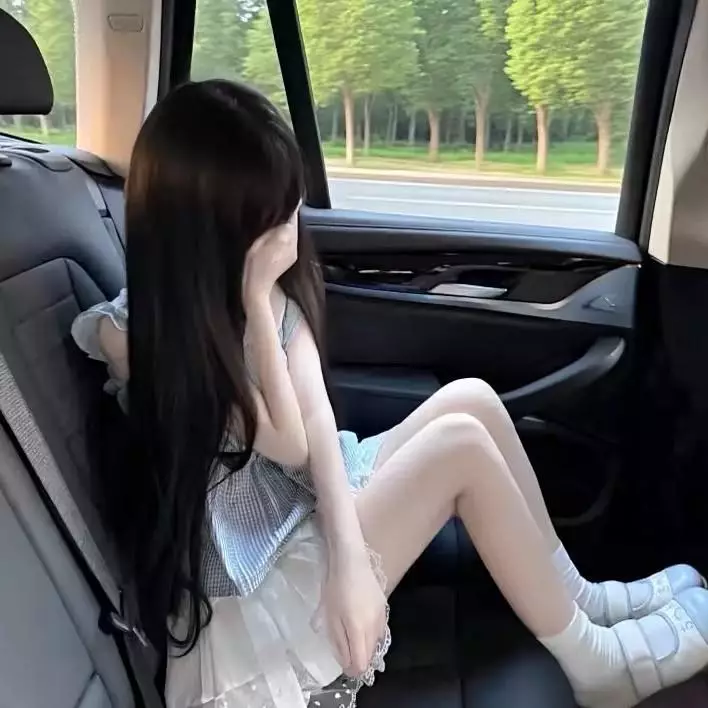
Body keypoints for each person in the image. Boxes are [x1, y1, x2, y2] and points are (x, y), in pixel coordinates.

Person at [72, 79, 708, 708]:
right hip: (252, 589)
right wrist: (258, 305)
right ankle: (597, 665)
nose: (290, 236)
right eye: (272, 224)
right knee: (459, 448)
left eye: (290, 211)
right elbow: (288, 441)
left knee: (472, 399)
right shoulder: (139, 339)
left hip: (297, 514)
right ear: (206, 236)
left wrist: (351, 556)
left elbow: (318, 425)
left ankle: (582, 600)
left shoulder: (264, 292)